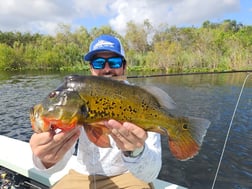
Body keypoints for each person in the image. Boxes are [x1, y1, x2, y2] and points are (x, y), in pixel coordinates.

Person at [29, 34, 162, 189]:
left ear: (124, 66)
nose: (107, 69)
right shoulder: (74, 98)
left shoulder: (140, 100)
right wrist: (46, 158)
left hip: (127, 176)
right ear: (91, 68)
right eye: (99, 63)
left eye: (114, 62)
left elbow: (151, 174)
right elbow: (56, 165)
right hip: (81, 176)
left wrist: (136, 151)